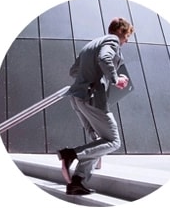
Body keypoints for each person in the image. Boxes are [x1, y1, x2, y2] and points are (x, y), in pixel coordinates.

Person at [57, 17, 134, 196]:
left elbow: (73, 71)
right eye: (127, 36)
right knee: (114, 141)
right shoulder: (112, 41)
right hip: (91, 97)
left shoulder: (90, 45)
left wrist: (90, 74)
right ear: (121, 32)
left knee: (99, 140)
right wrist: (116, 79)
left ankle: (77, 182)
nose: (127, 40)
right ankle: (70, 154)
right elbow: (105, 58)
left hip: (78, 97)